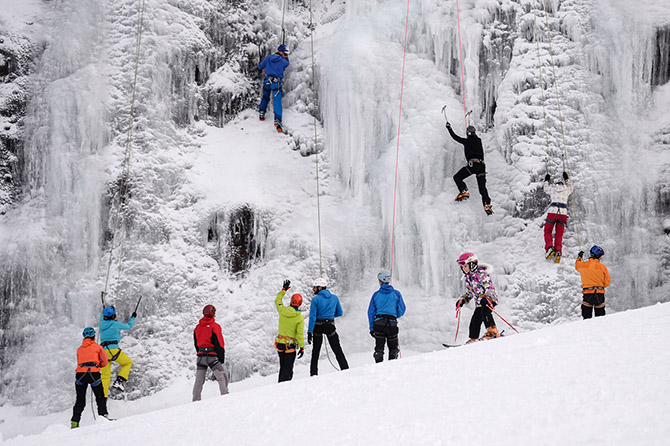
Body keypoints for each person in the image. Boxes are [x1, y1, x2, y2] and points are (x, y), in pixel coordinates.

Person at [445, 122, 493, 215]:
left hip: (473, 165)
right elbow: (473, 141)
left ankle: (464, 191)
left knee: (457, 177)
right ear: (475, 132)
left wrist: (449, 128)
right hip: (482, 166)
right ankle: (486, 203)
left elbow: (455, 137)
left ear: (467, 134)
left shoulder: (466, 141)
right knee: (482, 188)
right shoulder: (479, 141)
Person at [454, 252, 500, 343]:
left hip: (489, 299)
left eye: (465, 266)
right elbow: (471, 292)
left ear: (473, 264)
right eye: (462, 267)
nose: (464, 269)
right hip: (480, 302)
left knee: (485, 313)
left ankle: (493, 331)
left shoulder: (482, 274)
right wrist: (463, 299)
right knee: (475, 320)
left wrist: (487, 297)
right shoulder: (468, 277)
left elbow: (489, 287)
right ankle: (473, 338)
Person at [307, 277, 349, 376]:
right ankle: (346, 369)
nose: (313, 289)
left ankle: (313, 374)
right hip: (330, 326)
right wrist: (329, 317)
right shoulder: (334, 298)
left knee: (316, 352)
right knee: (337, 349)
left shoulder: (315, 299)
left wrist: (309, 332)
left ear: (319, 287)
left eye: (315, 287)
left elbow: (312, 317)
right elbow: (340, 313)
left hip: (318, 326)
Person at [71, 327, 109, 429]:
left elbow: (80, 361)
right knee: (100, 397)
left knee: (80, 400)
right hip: (93, 374)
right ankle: (103, 417)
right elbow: (105, 361)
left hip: (80, 375)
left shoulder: (79, 349)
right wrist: (98, 366)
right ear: (93, 336)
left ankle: (74, 423)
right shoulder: (98, 347)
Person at [367, 271, 406, 363]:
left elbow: (371, 312)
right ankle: (391, 368)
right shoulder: (396, 294)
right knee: (393, 348)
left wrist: (372, 328)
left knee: (379, 349)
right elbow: (402, 309)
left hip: (379, 323)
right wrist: (395, 315)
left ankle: (378, 368)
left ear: (380, 281)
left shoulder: (376, 295)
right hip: (392, 324)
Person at [192, 304, 229, 401]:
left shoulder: (197, 328)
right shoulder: (214, 327)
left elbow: (196, 344)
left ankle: (195, 400)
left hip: (200, 357)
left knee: (199, 381)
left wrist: (200, 353)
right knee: (222, 378)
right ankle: (226, 398)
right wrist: (221, 358)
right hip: (212, 357)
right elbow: (219, 343)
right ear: (213, 313)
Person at [99, 305, 135, 397]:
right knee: (127, 362)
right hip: (113, 350)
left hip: (103, 352)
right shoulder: (116, 324)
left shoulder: (101, 324)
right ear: (114, 316)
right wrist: (132, 317)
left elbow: (104, 319)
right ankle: (119, 381)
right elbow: (129, 326)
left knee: (105, 377)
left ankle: (103, 397)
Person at [274, 280, 305, 382]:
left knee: (282, 367)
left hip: (280, 343)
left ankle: (279, 385)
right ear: (300, 304)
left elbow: (277, 300)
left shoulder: (282, 310)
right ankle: (285, 388)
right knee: (288, 369)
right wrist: (302, 347)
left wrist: (283, 290)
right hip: (290, 345)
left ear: (291, 301)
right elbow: (299, 334)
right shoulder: (299, 318)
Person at [258, 44, 290, 133]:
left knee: (265, 97)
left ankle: (262, 112)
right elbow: (287, 63)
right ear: (280, 52)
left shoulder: (268, 58)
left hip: (267, 81)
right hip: (276, 83)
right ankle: (277, 120)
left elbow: (260, 66)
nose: (286, 55)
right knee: (277, 101)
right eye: (285, 54)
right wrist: (284, 57)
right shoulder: (283, 61)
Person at [544, 171, 573, 263]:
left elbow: (545, 189)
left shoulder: (553, 188)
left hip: (553, 212)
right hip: (563, 213)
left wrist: (546, 180)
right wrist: (567, 178)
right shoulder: (566, 189)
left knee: (548, 230)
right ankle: (558, 252)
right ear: (563, 183)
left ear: (556, 184)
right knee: (559, 234)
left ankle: (549, 248)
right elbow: (571, 188)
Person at [575, 245, 610, 319]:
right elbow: (607, 282)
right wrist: (599, 285)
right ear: (598, 256)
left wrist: (579, 257)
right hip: (599, 294)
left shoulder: (583, 265)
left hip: (587, 294)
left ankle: (587, 329)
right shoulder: (602, 267)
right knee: (600, 317)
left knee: (586, 316)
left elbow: (577, 266)